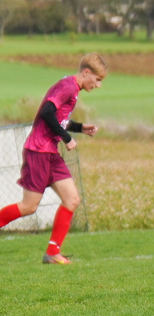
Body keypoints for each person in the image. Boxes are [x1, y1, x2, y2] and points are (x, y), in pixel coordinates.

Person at [0, 52, 107, 264]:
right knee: (29, 207)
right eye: (97, 79)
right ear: (87, 73)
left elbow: (59, 118)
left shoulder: (73, 89)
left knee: (72, 199)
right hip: (38, 151)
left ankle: (52, 253)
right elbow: (47, 113)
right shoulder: (68, 87)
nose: (98, 85)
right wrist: (66, 138)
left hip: (50, 153)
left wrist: (79, 128)